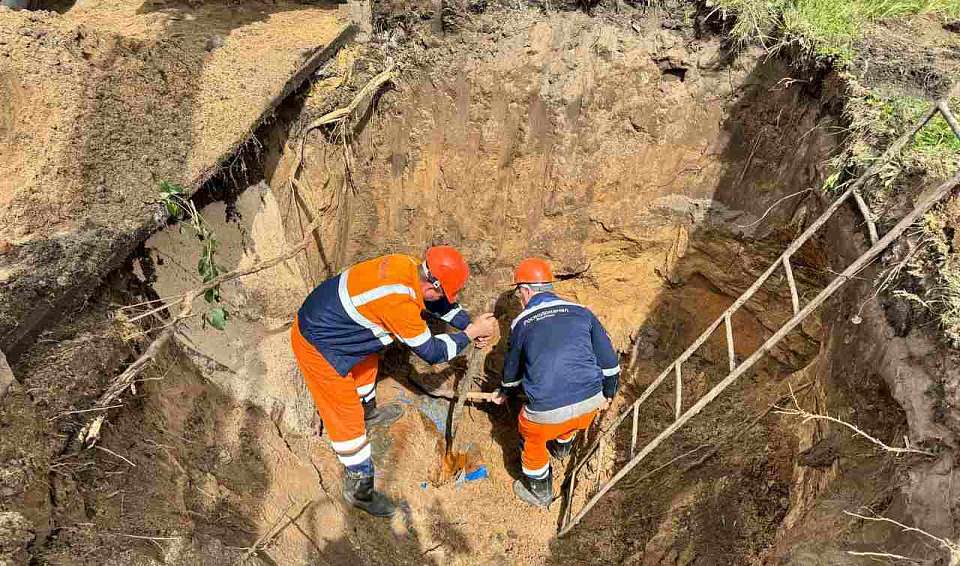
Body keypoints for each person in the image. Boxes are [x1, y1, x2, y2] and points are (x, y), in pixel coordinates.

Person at [291, 247, 498, 517]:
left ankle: (370, 415)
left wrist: (469, 324)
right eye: (444, 292)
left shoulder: (410, 267)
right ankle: (360, 490)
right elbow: (433, 352)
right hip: (320, 344)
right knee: (346, 419)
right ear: (432, 283)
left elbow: (439, 304)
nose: (445, 299)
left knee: (366, 368)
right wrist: (470, 335)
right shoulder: (397, 303)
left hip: (338, 323)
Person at [494, 257, 621, 507]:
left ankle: (539, 492)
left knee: (531, 441)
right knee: (569, 422)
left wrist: (505, 392)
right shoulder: (583, 311)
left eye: (519, 293)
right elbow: (610, 365)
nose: (520, 299)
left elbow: (512, 374)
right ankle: (563, 450)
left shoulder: (522, 323)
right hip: (589, 407)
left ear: (527, 290)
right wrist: (608, 395)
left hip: (545, 417)